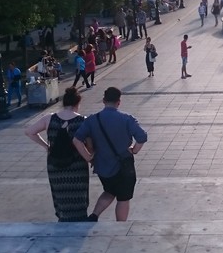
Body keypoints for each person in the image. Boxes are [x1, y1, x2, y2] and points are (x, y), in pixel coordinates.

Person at [73, 87, 148, 222]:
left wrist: (88, 157)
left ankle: (94, 216)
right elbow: (142, 136)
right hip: (124, 167)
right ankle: (120, 226)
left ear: (103, 101)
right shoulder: (127, 119)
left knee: (109, 191)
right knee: (123, 198)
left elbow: (77, 140)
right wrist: (134, 150)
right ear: (119, 102)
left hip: (103, 166)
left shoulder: (92, 119)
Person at [24, 88, 90, 222]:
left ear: (64, 102)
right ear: (77, 103)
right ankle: (80, 217)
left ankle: (62, 216)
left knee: (59, 192)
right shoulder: (83, 121)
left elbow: (29, 132)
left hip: (55, 163)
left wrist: (46, 146)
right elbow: (89, 144)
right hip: (77, 165)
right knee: (79, 192)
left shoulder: (49, 118)